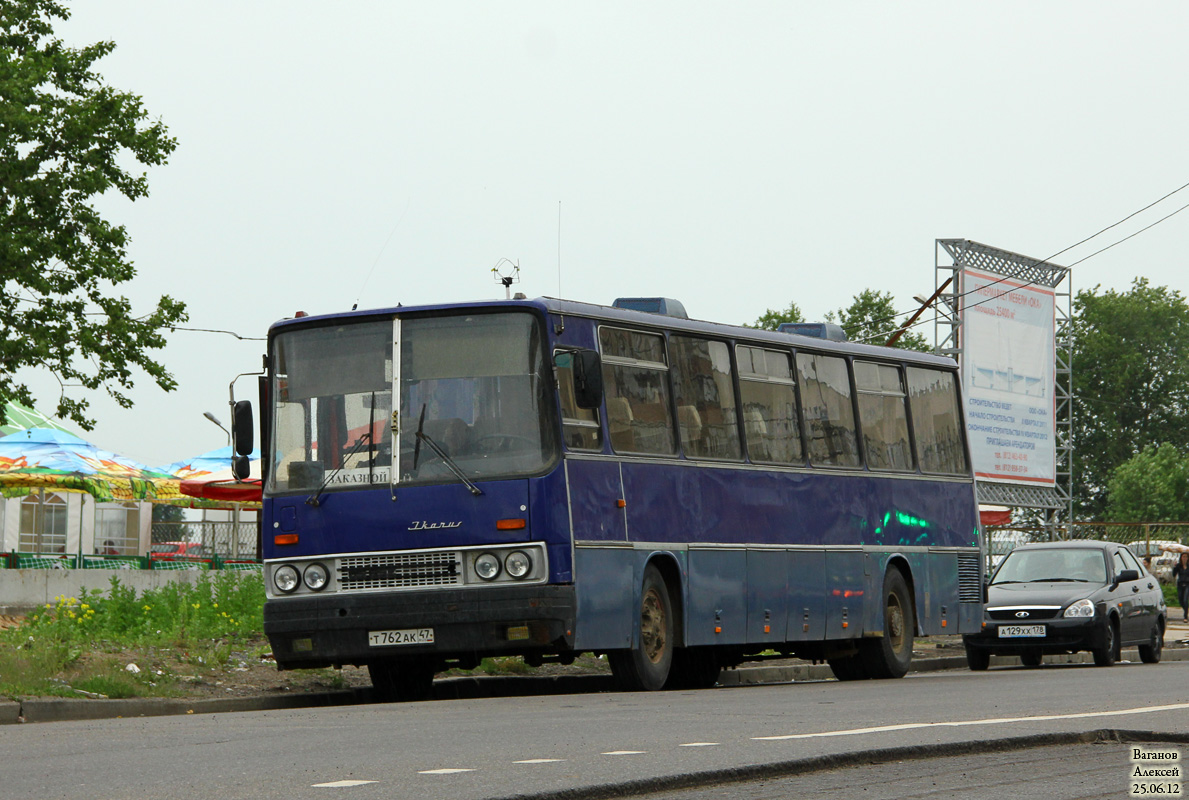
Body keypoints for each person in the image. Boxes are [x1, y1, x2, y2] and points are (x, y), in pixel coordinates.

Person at [1175, 552, 1189, 622]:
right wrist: (1174, 567)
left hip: (1187, 584)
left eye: (1186, 557)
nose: (1184, 559)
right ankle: (1186, 609)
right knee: (1180, 600)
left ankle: (1185, 616)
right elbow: (1174, 574)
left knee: (1185, 599)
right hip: (1180, 584)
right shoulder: (1178, 566)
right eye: (1183, 557)